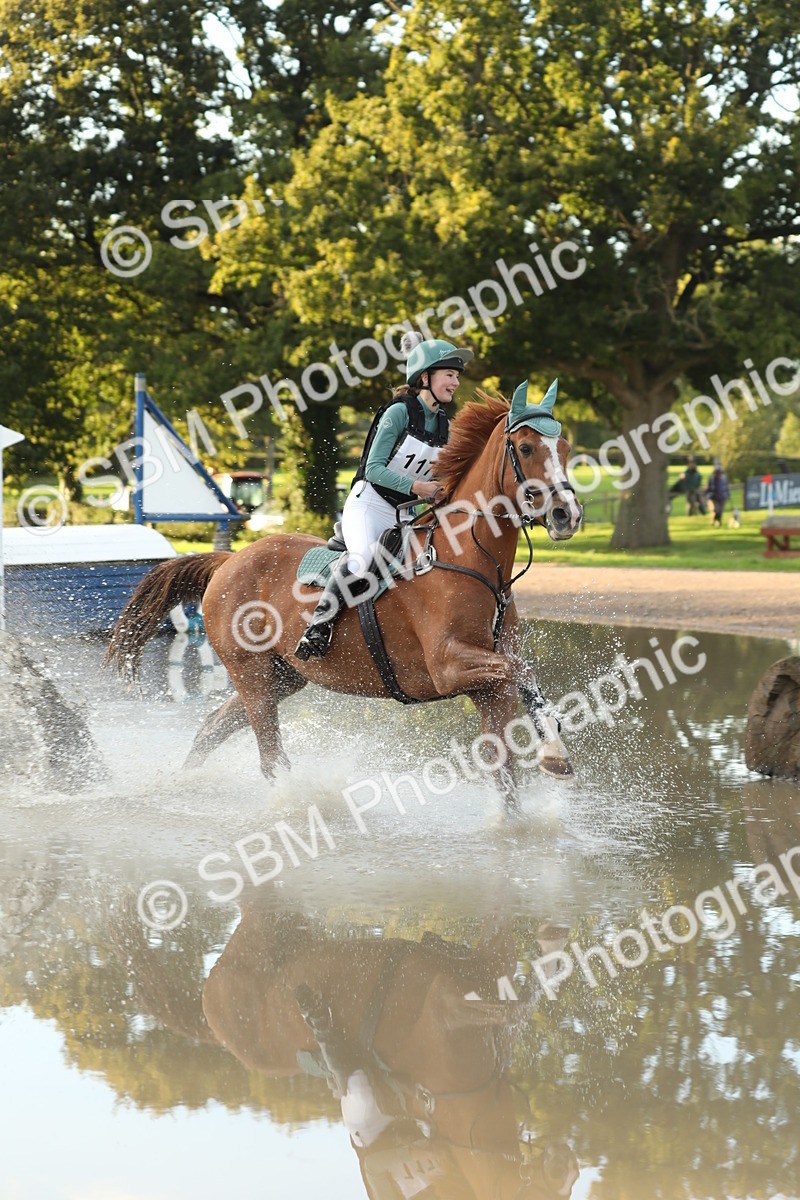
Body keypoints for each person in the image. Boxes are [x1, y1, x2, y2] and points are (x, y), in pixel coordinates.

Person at [294, 332, 473, 660]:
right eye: (449, 375)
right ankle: (318, 626)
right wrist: (419, 488)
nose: (455, 383)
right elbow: (374, 469)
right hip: (370, 504)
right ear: (425, 377)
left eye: (457, 376)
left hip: (406, 514)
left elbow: (438, 475)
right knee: (362, 561)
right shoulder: (397, 413)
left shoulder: (444, 425)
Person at [705, 459, 730, 527]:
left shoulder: (724, 478)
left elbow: (727, 487)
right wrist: (705, 495)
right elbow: (708, 488)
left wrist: (728, 495)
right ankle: (714, 521)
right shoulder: (711, 478)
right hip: (714, 497)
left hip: (722, 497)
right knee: (715, 510)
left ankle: (718, 522)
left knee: (720, 511)